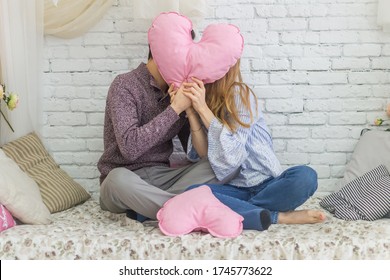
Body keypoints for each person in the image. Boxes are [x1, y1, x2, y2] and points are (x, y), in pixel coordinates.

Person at [171, 59, 326, 231]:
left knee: (306, 176)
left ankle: (241, 211)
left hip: (267, 184)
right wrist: (192, 112)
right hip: (231, 189)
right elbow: (203, 155)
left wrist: (202, 109)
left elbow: (234, 154)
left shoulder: (239, 94)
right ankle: (278, 216)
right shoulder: (202, 98)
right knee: (193, 192)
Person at [97, 31, 229, 221]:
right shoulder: (124, 84)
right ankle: (181, 209)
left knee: (223, 165)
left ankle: (160, 208)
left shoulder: (177, 89)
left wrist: (192, 111)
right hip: (125, 179)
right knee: (116, 180)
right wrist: (175, 109)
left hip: (163, 179)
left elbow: (197, 153)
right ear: (164, 52)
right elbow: (130, 148)